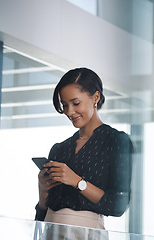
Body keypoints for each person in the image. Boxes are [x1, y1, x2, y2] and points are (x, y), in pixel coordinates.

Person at [34, 67, 133, 239]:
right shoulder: (59, 148)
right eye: (64, 105)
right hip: (51, 231)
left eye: (75, 103)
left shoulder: (116, 141)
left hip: (85, 233)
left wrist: (77, 181)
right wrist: (43, 190)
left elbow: (118, 206)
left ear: (96, 97)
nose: (69, 111)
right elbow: (41, 215)